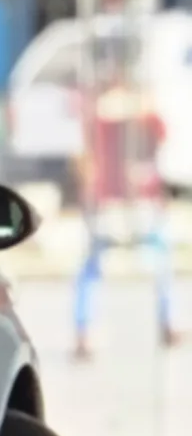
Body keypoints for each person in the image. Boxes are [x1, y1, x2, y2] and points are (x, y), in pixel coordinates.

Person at [73, 76, 178, 358]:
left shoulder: (136, 117)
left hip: (138, 203)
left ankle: (167, 322)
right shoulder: (102, 118)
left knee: (160, 260)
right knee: (92, 267)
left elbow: (161, 134)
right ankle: (84, 331)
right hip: (113, 203)